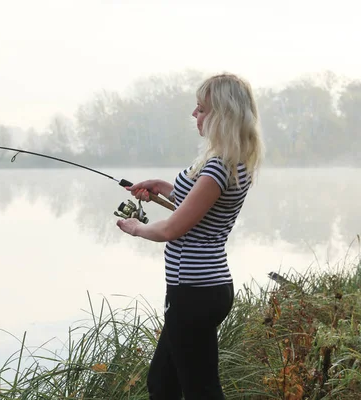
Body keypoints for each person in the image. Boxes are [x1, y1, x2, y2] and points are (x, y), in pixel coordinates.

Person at [116, 73, 264, 399]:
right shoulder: (230, 163)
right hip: (207, 288)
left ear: (222, 114)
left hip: (193, 291)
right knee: (163, 383)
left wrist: (137, 229)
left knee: (199, 390)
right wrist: (162, 187)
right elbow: (201, 209)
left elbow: (172, 228)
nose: (194, 115)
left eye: (200, 109)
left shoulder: (217, 168)